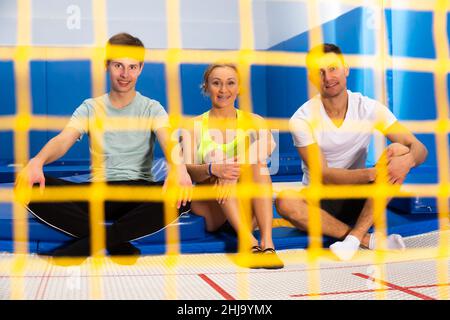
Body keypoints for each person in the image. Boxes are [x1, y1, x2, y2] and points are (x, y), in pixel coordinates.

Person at [15, 33, 192, 265]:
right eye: (118, 65)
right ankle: (116, 242)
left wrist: (179, 169)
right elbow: (63, 139)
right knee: (27, 186)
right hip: (98, 192)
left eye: (132, 67)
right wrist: (36, 162)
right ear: (107, 65)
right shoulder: (91, 107)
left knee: (183, 197)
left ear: (140, 69)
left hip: (137, 193)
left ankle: (86, 245)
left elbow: (168, 140)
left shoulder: (152, 108)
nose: (125, 74)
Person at [275, 43, 428, 261]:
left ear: (346, 68)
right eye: (320, 72)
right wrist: (374, 174)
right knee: (284, 201)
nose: (328, 77)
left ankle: (355, 236)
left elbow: (420, 148)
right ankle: (366, 240)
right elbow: (323, 174)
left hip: (362, 202)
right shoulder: (302, 119)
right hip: (321, 201)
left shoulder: (368, 108)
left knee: (399, 150)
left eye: (333, 68)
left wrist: (408, 160)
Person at [181, 63, 283, 269]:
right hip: (211, 208)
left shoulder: (254, 121)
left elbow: (269, 144)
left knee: (258, 164)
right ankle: (248, 243)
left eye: (230, 83)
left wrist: (232, 172)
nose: (223, 90)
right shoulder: (193, 126)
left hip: (245, 209)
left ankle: (267, 243)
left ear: (239, 87)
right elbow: (189, 170)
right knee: (219, 163)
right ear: (207, 87)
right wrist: (214, 169)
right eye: (216, 83)